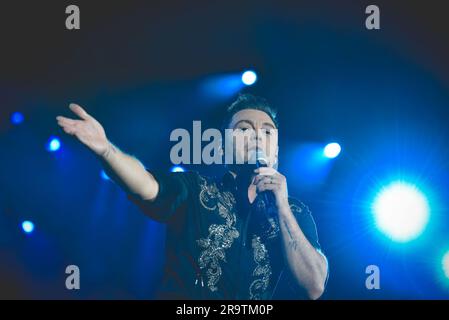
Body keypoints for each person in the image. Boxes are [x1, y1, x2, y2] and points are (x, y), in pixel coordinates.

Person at [56, 93, 328, 299]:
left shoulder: (295, 212)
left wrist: (282, 208)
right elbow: (146, 185)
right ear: (222, 149)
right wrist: (106, 150)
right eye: (244, 129)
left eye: (267, 132)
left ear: (276, 151)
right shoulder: (197, 189)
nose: (257, 137)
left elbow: (314, 285)